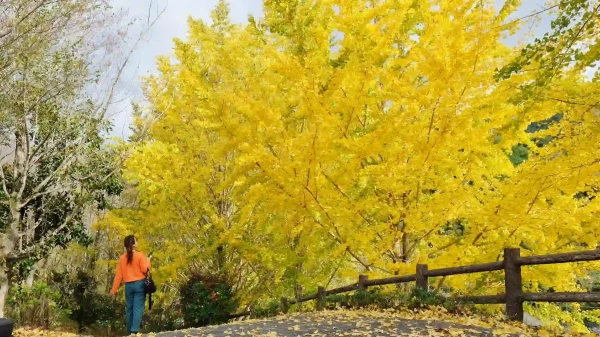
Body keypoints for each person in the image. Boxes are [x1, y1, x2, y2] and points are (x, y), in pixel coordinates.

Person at [111, 235, 151, 335]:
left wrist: (113, 290)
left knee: (129, 309)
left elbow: (118, 276)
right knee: (137, 308)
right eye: (136, 241)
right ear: (133, 244)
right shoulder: (140, 255)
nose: (137, 242)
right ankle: (134, 332)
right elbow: (145, 270)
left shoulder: (122, 258)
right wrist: (148, 261)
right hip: (139, 284)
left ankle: (129, 332)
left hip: (128, 286)